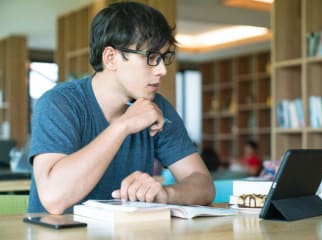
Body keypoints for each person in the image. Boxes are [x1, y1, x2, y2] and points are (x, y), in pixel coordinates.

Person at [28, 2, 214, 214]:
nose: (162, 70)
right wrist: (123, 126)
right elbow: (54, 199)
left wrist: (164, 194)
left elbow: (204, 185)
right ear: (111, 58)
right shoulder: (59, 103)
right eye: (151, 58)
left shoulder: (156, 106)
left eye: (163, 58)